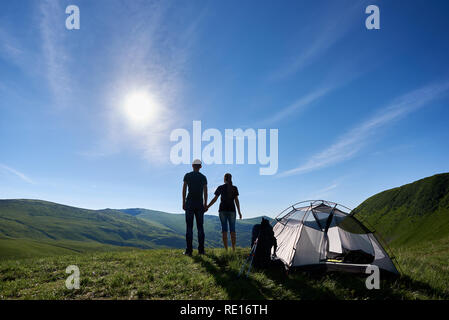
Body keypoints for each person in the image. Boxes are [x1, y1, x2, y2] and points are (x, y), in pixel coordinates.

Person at [206, 173, 242, 251]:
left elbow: (215, 199)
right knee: (233, 230)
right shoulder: (234, 188)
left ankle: (226, 250)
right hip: (232, 210)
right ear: (231, 178)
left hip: (222, 210)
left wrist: (207, 206)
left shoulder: (220, 187)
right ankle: (233, 249)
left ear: (224, 179)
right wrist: (239, 212)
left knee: (224, 230)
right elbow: (236, 201)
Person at [182, 159, 208, 256]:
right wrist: (205, 204)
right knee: (200, 227)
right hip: (199, 203)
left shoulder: (187, 175)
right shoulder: (203, 177)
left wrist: (183, 202)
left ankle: (189, 251)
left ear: (192, 165)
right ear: (200, 166)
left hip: (189, 202)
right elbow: (205, 191)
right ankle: (201, 251)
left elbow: (184, 189)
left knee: (189, 227)